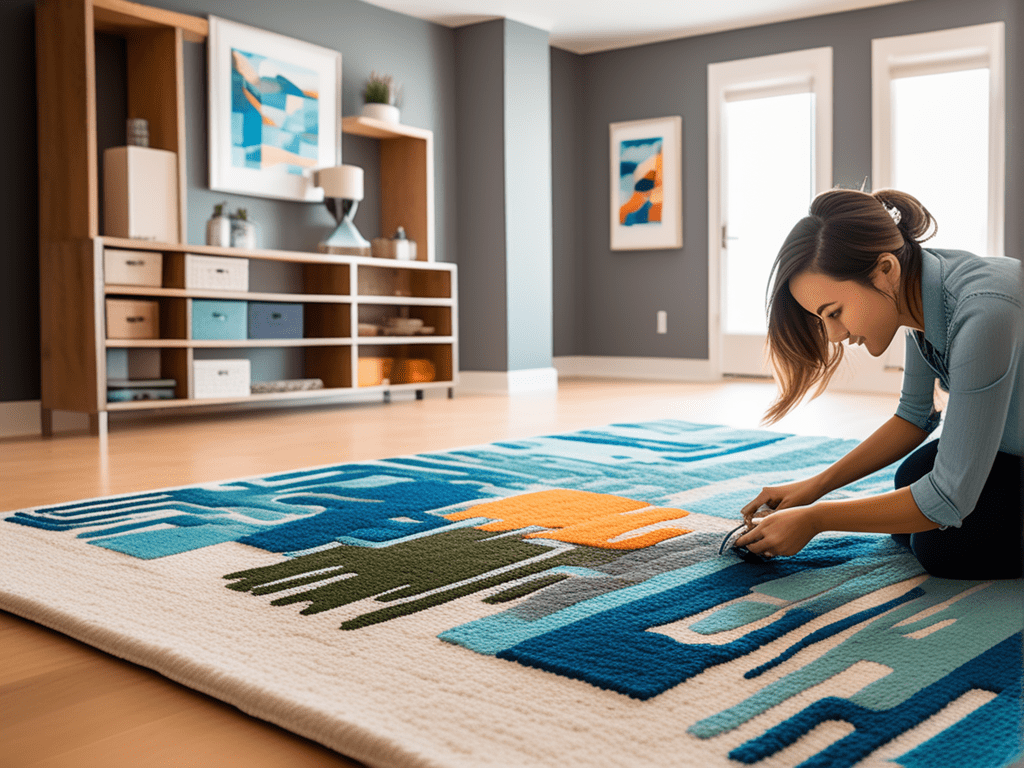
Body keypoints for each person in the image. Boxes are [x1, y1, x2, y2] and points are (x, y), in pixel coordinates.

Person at [734, 188, 1023, 579]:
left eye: (834, 312)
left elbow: (947, 498)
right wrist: (813, 487)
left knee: (942, 544)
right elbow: (913, 417)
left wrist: (816, 519)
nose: (834, 335)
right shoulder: (917, 289)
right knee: (911, 477)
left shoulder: (984, 311)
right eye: (823, 320)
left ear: (884, 269)